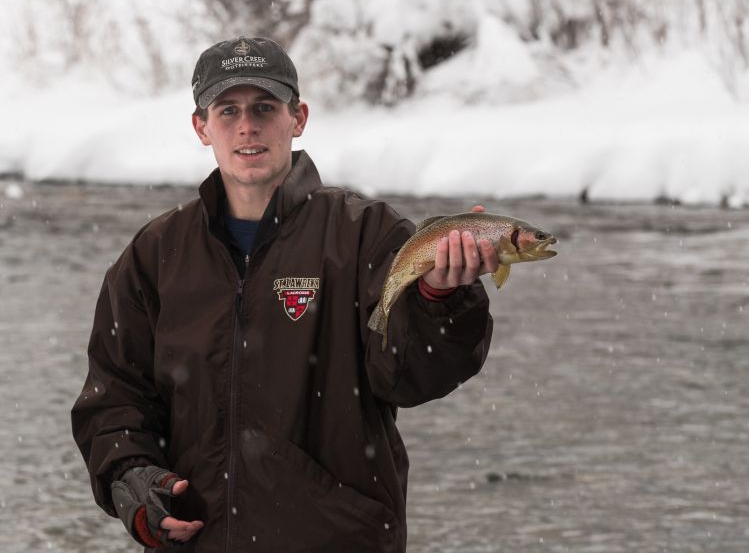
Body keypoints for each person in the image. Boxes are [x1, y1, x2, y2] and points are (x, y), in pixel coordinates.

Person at [71, 36, 497, 552]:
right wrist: (133, 481)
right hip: (199, 540)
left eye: (265, 107)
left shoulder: (366, 234)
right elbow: (115, 396)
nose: (247, 126)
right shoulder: (155, 253)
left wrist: (440, 300)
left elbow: (410, 377)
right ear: (201, 127)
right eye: (228, 110)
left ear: (298, 117)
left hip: (336, 539)